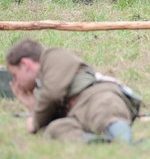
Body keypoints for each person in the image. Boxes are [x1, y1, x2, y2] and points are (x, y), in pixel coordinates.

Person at [5, 39, 140, 143]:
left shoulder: (52, 56)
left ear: (25, 64)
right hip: (76, 114)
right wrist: (32, 107)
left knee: (104, 113)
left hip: (95, 96)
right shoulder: (41, 85)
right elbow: (48, 115)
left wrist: (34, 122)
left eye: (15, 75)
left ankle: (126, 143)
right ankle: (98, 143)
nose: (15, 82)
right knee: (55, 129)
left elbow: (52, 95)